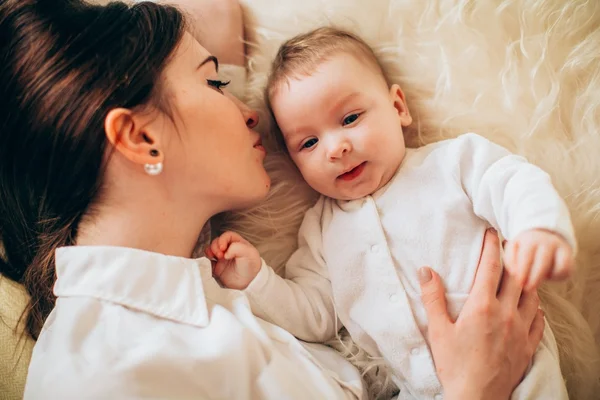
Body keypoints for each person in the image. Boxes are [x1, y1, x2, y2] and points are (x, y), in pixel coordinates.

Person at [0, 1, 543, 398]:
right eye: (216, 85)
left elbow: (215, 15)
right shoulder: (103, 375)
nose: (251, 111)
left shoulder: (202, 281)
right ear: (141, 139)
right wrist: (477, 387)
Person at [207, 27, 572, 399]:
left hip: (519, 367)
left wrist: (537, 227)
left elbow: (511, 182)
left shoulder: (451, 164)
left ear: (398, 107)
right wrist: (258, 281)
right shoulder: (320, 230)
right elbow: (316, 316)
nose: (335, 148)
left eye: (349, 119)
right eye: (309, 142)